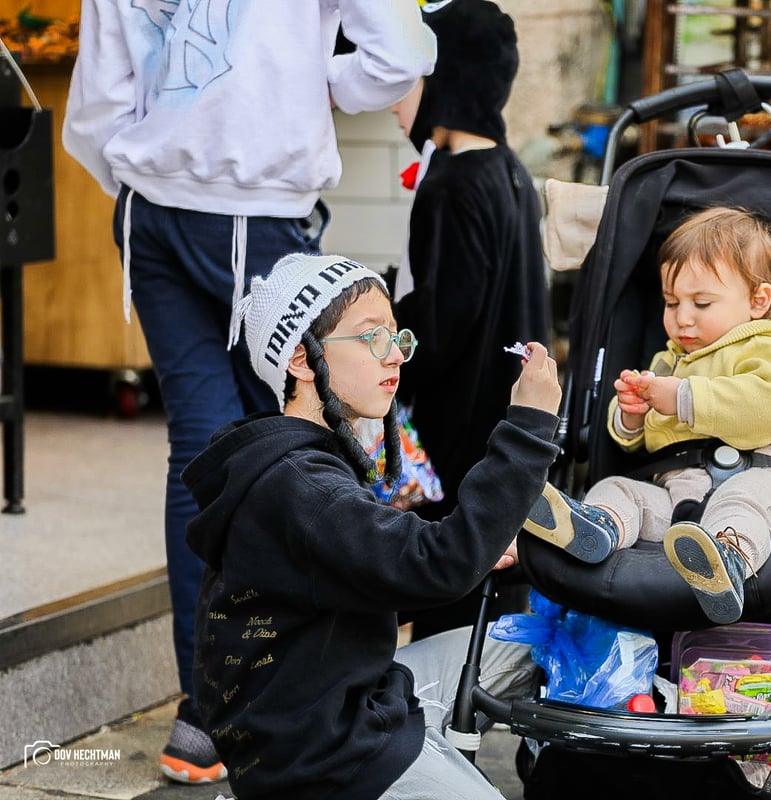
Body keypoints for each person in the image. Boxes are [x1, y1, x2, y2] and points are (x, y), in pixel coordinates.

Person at [61, 2, 436, 783]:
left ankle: (203, 717)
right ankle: (296, 701)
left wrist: (152, 163)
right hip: (257, 211)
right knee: (295, 441)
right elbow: (399, 53)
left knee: (200, 450)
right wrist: (313, 80)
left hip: (150, 214)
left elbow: (96, 103)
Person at [184, 252, 562, 800]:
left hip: (353, 699)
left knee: (543, 647)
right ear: (300, 360)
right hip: (326, 754)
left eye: (395, 336)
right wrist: (527, 427)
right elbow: (437, 566)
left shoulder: (300, 464)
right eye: (370, 337)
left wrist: (469, 551)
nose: (395, 355)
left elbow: (352, 586)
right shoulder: (302, 486)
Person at [523, 207, 771, 625]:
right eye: (671, 302)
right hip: (678, 501)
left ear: (758, 301)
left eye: (701, 302)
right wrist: (631, 415)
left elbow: (763, 409)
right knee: (619, 488)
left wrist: (682, 397)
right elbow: (645, 440)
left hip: (765, 483)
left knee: (742, 505)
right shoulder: (671, 362)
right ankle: (598, 528)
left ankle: (728, 562)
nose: (682, 317)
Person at [391, 0, 550, 637]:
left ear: (444, 80)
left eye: (408, 78)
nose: (393, 98)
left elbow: (441, 324)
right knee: (491, 598)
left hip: (454, 432)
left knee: (445, 596)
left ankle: (438, 729)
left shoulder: (452, 184)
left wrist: (383, 331)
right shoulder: (511, 174)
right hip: (503, 423)